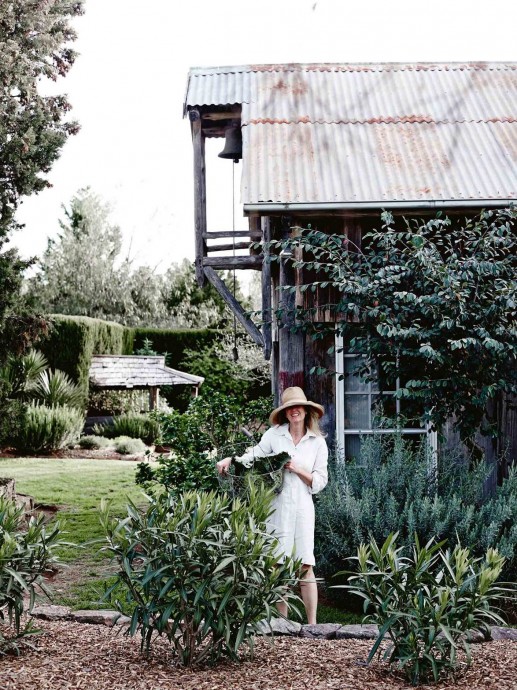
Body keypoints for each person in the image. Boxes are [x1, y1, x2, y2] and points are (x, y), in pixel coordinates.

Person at [216, 386, 328, 625]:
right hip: (277, 506)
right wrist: (231, 460)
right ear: (285, 413)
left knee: (305, 565)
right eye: (289, 408)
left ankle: (313, 625)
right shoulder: (274, 435)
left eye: (298, 407)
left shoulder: (317, 442)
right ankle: (281, 623)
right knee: (277, 564)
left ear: (306, 411)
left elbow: (319, 482)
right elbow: (253, 455)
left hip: (303, 509)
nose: (294, 411)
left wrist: (296, 468)